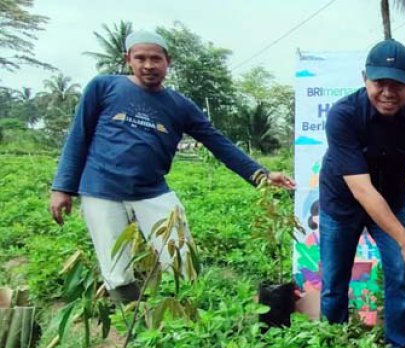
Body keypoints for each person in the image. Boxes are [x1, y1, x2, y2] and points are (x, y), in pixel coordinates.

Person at [49, 31, 295, 303]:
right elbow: (78, 136)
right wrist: (62, 187)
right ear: (127, 59)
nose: (148, 65)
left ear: (168, 61)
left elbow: (218, 143)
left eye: (156, 58)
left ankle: (189, 317)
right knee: (116, 268)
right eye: (140, 58)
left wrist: (261, 175)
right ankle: (133, 323)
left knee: (182, 260)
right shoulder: (103, 87)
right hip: (101, 190)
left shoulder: (179, 105)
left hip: (152, 191)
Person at [318, 39, 405, 348]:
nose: (388, 92)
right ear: (365, 79)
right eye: (380, 83)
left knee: (401, 275)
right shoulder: (344, 115)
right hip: (342, 203)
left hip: (391, 201)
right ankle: (334, 346)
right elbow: (361, 189)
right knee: (334, 283)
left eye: (398, 84)